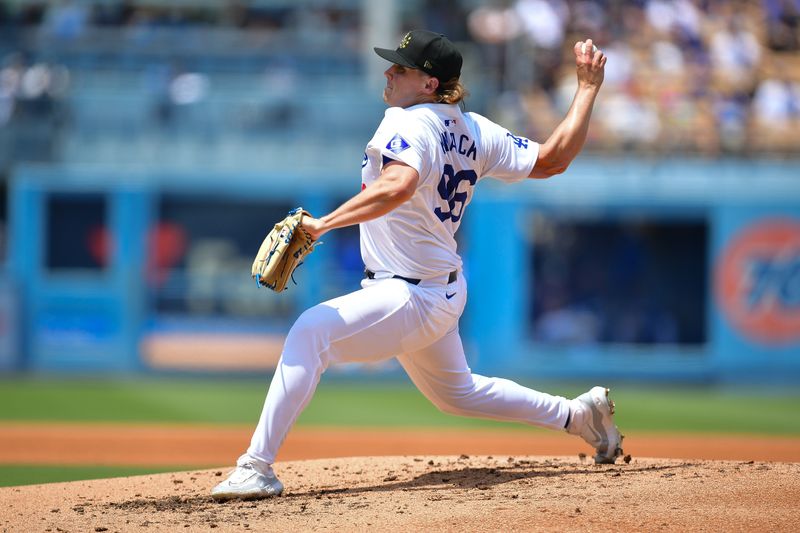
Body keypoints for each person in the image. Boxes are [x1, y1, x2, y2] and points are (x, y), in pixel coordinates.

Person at [211, 29, 621, 501]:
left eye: (400, 68)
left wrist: (323, 224)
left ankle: (257, 467)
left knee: (310, 330)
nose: (388, 72)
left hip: (410, 293)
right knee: (458, 393)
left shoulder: (404, 122)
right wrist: (587, 89)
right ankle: (577, 415)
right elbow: (553, 160)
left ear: (429, 83)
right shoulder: (475, 129)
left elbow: (398, 185)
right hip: (440, 289)